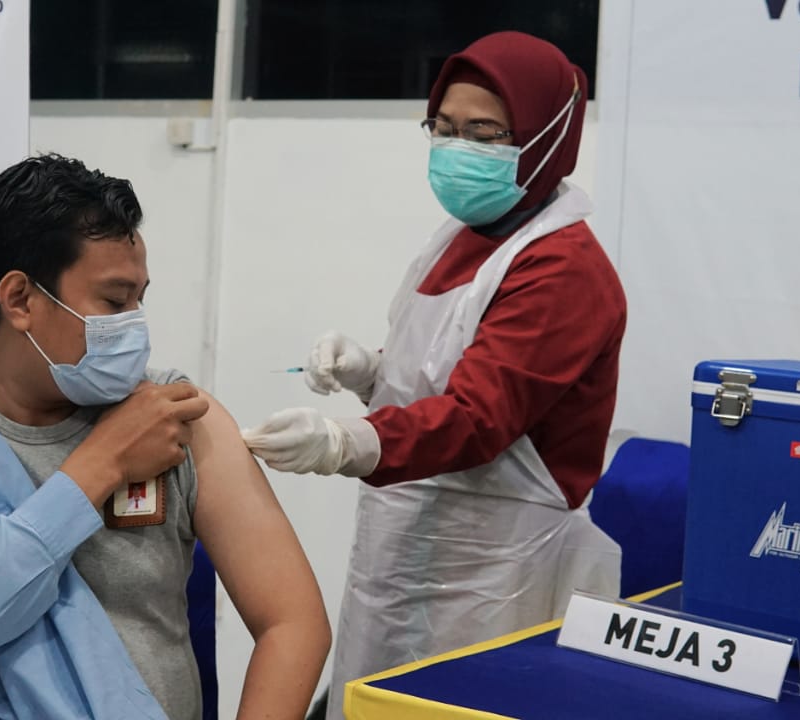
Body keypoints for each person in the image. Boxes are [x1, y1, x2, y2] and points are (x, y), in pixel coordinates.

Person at [0, 154, 331, 719]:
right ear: (20, 300)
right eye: (114, 301)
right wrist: (99, 466)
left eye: (140, 299)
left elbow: (293, 622)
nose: (134, 324)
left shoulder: (174, 415)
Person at [241, 31, 626, 716]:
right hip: (408, 545)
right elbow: (441, 375)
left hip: (497, 569)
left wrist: (343, 442)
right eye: (443, 128)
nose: (456, 149)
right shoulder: (464, 235)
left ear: (544, 138)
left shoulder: (563, 267)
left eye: (483, 133)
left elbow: (479, 418)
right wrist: (371, 371)